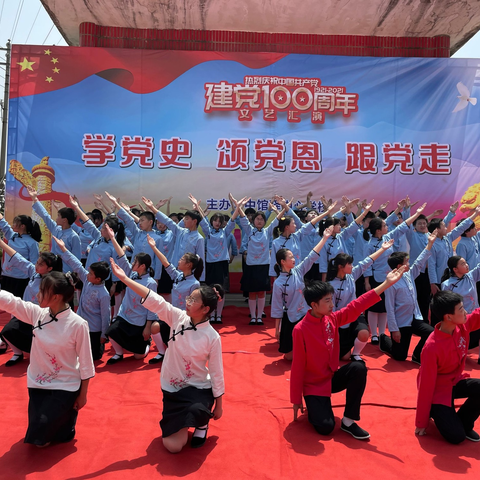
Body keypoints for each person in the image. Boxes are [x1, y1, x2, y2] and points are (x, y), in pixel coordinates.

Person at [110, 258, 224, 453]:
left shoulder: (212, 337)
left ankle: (202, 424)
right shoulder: (178, 317)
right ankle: (186, 420)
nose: (187, 302)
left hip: (198, 389)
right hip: (173, 388)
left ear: (205, 309)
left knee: (197, 411)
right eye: (189, 298)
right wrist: (124, 278)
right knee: (173, 447)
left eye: (193, 300)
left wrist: (219, 405)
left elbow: (216, 372)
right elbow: (155, 300)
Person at [290, 264, 408, 440]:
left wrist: (386, 284)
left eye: (332, 299)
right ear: (314, 305)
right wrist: (296, 398)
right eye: (327, 301)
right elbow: (297, 365)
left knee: (358, 368)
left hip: (331, 377)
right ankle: (317, 406)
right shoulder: (300, 329)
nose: (332, 304)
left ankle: (348, 421)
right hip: (313, 385)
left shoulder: (332, 318)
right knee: (326, 428)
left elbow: (356, 306)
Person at [0, 272, 94, 446]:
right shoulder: (38, 314)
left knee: (43, 435)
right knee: (38, 438)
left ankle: (67, 423)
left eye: (42, 291)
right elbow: (13, 302)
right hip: (38, 382)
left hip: (66, 385)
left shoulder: (78, 324)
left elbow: (87, 363)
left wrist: (83, 395)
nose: (37, 294)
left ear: (56, 297)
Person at [415, 290, 480, 444]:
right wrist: (421, 422)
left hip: (455, 382)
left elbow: (478, 315)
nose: (465, 312)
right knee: (456, 437)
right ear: (448, 317)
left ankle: (465, 422)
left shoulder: (461, 327)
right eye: (461, 309)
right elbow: (426, 386)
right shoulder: (431, 347)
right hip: (438, 391)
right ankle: (435, 411)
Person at [363, 203, 427, 344]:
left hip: (391, 277)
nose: (388, 227)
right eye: (385, 226)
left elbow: (403, 226)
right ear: (378, 230)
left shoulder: (388, 237)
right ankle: (373, 334)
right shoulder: (369, 245)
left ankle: (381, 333)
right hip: (376, 278)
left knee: (386, 306)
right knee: (374, 307)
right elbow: (367, 265)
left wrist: (416, 214)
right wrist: (367, 281)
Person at [271, 225, 334, 361]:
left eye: (294, 257)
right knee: (289, 357)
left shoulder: (299, 270)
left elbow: (311, 256)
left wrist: (324, 238)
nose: (294, 259)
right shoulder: (278, 283)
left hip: (305, 314)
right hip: (290, 317)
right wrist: (277, 329)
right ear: (282, 262)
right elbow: (277, 308)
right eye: (290, 257)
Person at [327, 238, 395, 362]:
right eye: (349, 264)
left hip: (355, 313)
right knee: (343, 357)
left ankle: (356, 354)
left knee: (364, 333)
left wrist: (382, 249)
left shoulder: (352, 275)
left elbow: (368, 261)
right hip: (340, 319)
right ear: (341, 267)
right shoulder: (330, 285)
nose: (352, 266)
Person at [0, 237, 62, 366]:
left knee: (39, 338)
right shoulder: (33, 272)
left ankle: (41, 355)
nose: (36, 265)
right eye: (37, 262)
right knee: (7, 331)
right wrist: (1, 243)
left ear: (49, 269)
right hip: (25, 311)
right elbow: (17, 257)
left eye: (41, 264)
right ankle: (17, 353)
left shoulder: (53, 283)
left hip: (41, 316)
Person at [380, 230, 437, 363]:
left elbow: (419, 261)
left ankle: (418, 355)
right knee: (400, 356)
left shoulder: (409, 274)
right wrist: (394, 330)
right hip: (401, 323)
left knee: (431, 332)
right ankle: (384, 340)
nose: (409, 263)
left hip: (414, 318)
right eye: (406, 261)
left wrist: (430, 244)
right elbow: (390, 308)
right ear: (399, 266)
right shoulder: (390, 283)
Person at [145, 234, 204, 363]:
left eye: (182, 259)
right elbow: (165, 262)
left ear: (188, 265)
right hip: (172, 313)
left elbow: (193, 305)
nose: (178, 261)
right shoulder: (177, 275)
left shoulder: (194, 283)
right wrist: (154, 247)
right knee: (155, 327)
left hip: (184, 318)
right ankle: (162, 352)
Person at [104, 225, 158, 365]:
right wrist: (112, 237)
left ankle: (146, 344)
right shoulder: (131, 274)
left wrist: (148, 326)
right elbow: (121, 257)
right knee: (111, 331)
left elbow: (152, 307)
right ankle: (118, 353)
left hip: (139, 319)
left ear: (143, 266)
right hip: (124, 315)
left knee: (138, 356)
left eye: (135, 262)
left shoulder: (151, 283)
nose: (132, 263)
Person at [53, 237, 111, 361]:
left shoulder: (104, 294)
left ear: (98, 279)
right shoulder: (87, 281)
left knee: (94, 356)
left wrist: (103, 334)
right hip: (80, 323)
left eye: (90, 274)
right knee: (75, 351)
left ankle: (99, 347)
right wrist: (63, 249)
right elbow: (77, 265)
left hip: (94, 329)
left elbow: (106, 315)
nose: (87, 274)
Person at [236, 195, 285, 325]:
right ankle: (253, 317)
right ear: (253, 221)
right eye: (257, 219)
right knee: (252, 292)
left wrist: (281, 208)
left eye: (261, 219)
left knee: (262, 292)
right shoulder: (249, 230)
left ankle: (259, 316)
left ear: (264, 221)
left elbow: (277, 219)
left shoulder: (267, 231)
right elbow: (242, 218)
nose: (259, 221)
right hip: (251, 265)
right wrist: (239, 206)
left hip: (264, 265)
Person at [428, 205, 480, 299]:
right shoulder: (432, 245)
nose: (446, 227)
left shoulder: (448, 238)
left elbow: (461, 227)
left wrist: (475, 214)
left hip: (452, 277)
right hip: (440, 280)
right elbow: (431, 265)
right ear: (437, 230)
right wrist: (433, 283)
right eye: (443, 226)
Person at [26, 186, 81, 272]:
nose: (56, 218)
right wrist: (34, 198)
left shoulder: (74, 236)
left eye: (59, 216)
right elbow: (45, 216)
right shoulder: (56, 229)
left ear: (64, 220)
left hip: (65, 271)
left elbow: (77, 258)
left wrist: (74, 274)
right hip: (52, 269)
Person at [0, 212, 41, 297]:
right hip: (6, 275)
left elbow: (34, 263)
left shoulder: (32, 243)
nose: (13, 225)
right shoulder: (12, 235)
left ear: (22, 226)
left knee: (17, 305)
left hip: (21, 279)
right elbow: (3, 223)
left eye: (15, 223)